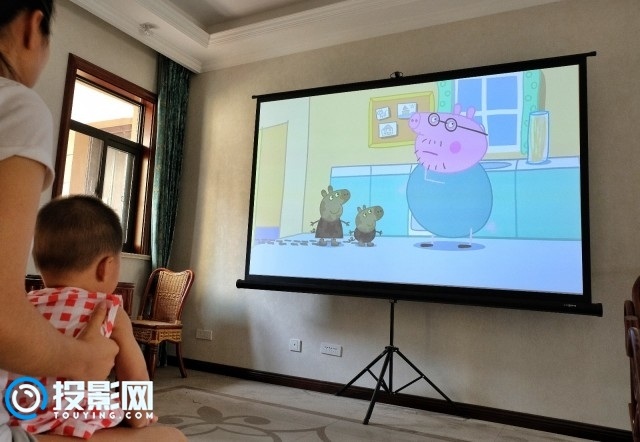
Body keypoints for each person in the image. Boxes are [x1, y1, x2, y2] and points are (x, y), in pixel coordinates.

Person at [0, 2, 121, 441]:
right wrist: (90, 364)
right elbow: (137, 387)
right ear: (32, 26)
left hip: (23, 411)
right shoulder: (110, 310)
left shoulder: (33, 303)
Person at [6, 195, 186, 441]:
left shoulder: (23, 305)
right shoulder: (108, 310)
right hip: (74, 420)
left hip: (17, 417)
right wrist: (139, 416)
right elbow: (134, 378)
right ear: (106, 267)